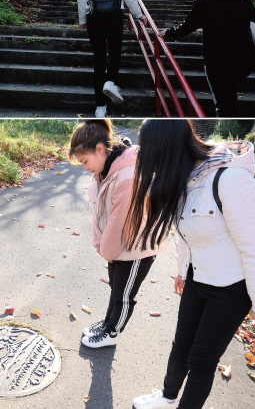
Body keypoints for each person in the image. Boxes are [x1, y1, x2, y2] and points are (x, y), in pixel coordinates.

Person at [129, 120, 255, 409]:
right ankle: (168, 398)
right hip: (199, 276)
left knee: (201, 361)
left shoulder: (229, 179)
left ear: (167, 150)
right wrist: (183, 270)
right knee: (181, 346)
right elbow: (187, 233)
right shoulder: (186, 176)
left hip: (233, 287)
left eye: (150, 152)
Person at [68, 119, 166, 349]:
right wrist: (103, 247)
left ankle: (112, 332)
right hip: (117, 247)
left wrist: (107, 251)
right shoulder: (107, 169)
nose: (84, 167)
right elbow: (99, 213)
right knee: (116, 288)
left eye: (85, 161)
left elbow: (119, 221)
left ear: (100, 149)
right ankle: (107, 323)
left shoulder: (126, 175)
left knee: (124, 294)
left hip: (136, 248)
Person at [160, 0, 255, 117]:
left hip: (218, 60)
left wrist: (168, 32)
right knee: (229, 97)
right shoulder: (243, 0)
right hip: (244, 60)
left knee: (223, 103)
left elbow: (189, 25)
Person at [77, 0, 145, 118]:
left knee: (99, 60)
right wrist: (139, 15)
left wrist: (82, 18)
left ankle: (100, 107)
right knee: (115, 53)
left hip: (94, 17)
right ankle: (110, 82)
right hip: (115, 15)